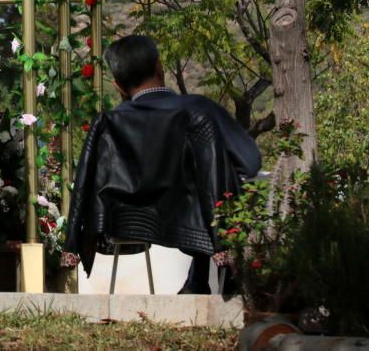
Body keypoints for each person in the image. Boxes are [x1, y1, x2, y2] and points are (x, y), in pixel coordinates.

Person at [64, 35, 261, 295]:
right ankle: (199, 278)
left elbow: (84, 182)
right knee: (213, 173)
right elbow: (250, 163)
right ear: (159, 66)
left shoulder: (108, 122)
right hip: (193, 225)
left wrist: (72, 242)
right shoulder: (198, 109)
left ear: (118, 86)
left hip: (123, 222)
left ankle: (196, 280)